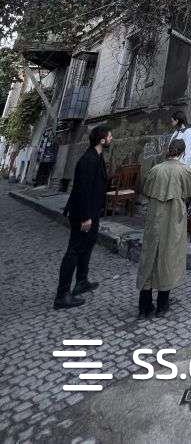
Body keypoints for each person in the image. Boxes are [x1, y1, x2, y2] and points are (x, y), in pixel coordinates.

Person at [54, 123, 111, 310]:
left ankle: (81, 281)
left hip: (93, 211)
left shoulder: (98, 157)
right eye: (109, 136)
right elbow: (82, 190)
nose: (111, 139)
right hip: (83, 213)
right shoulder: (88, 160)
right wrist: (86, 216)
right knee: (74, 250)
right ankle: (62, 294)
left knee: (87, 246)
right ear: (102, 140)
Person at [137, 137, 191, 319]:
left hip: (155, 218)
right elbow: (189, 192)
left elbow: (146, 190)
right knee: (169, 257)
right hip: (173, 220)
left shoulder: (155, 169)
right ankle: (162, 304)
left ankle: (144, 305)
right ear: (182, 152)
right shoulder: (184, 170)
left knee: (150, 257)